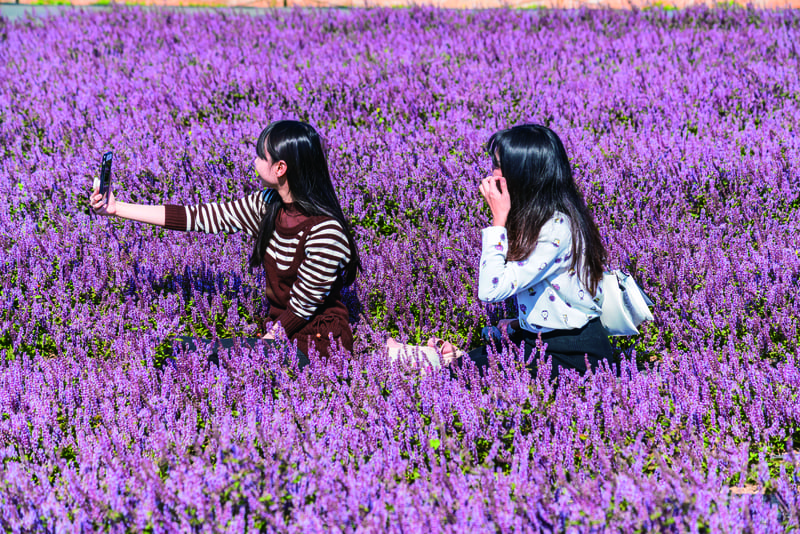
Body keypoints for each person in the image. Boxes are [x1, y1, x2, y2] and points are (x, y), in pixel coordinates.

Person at [90, 120, 360, 364]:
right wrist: (117, 209)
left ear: (280, 168)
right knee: (181, 355)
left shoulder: (326, 232)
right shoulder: (268, 205)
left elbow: (302, 308)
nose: (254, 162)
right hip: (280, 337)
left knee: (191, 357)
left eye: (260, 156)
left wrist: (254, 351)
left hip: (319, 344)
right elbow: (200, 217)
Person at [453, 123, 613, 380]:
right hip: (538, 340)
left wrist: (498, 220)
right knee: (460, 368)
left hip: (571, 354)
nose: (491, 174)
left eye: (497, 166)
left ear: (521, 175)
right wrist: (519, 323)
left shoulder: (555, 228)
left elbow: (490, 290)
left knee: (458, 376)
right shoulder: (543, 219)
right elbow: (558, 292)